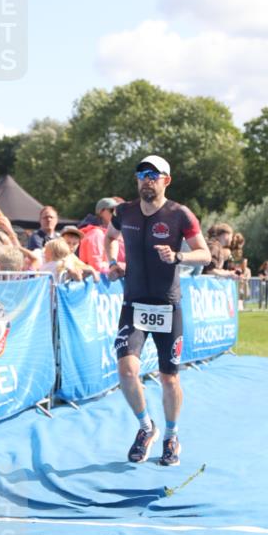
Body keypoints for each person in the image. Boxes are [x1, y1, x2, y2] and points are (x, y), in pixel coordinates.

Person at [104, 155, 211, 467]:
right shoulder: (123, 212)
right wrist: (114, 263)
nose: (146, 179)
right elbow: (111, 238)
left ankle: (171, 435)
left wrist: (178, 256)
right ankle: (145, 427)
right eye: (141, 173)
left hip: (167, 305)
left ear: (167, 180)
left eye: (154, 174)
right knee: (126, 371)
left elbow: (204, 254)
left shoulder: (180, 214)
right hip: (133, 303)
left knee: (169, 379)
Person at [79, 198, 125, 273]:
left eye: (117, 210)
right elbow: (96, 266)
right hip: (96, 282)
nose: (116, 213)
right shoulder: (96, 234)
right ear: (101, 212)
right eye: (112, 210)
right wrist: (122, 266)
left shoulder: (109, 233)